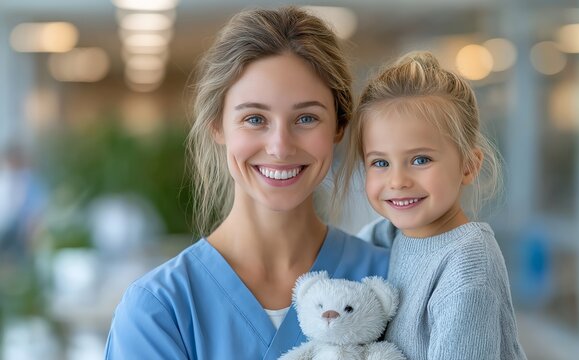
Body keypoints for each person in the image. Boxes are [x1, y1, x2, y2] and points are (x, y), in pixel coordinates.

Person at [104, 7, 389, 360]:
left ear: (339, 126)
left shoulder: (390, 281)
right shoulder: (161, 310)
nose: (280, 146)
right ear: (217, 126)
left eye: (306, 118)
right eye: (255, 118)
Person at [336, 51, 527, 359]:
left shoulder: (468, 258)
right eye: (380, 162)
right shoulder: (384, 237)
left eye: (420, 160)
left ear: (468, 166)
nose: (397, 180)